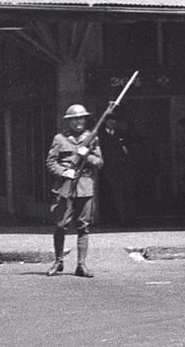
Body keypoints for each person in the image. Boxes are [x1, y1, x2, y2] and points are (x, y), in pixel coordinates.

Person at [45, 104, 104, 277]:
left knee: (83, 227)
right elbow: (50, 162)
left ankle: (81, 265)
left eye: (81, 118)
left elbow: (100, 162)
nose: (79, 122)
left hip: (84, 187)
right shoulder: (59, 139)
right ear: (69, 121)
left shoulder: (92, 138)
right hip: (64, 187)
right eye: (75, 119)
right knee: (60, 225)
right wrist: (64, 172)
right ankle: (58, 261)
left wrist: (87, 155)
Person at [97, 111, 136, 226]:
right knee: (111, 194)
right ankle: (112, 219)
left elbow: (127, 149)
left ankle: (127, 219)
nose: (112, 122)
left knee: (126, 192)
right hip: (108, 169)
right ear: (105, 121)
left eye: (114, 120)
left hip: (123, 168)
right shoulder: (99, 135)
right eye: (109, 120)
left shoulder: (121, 133)